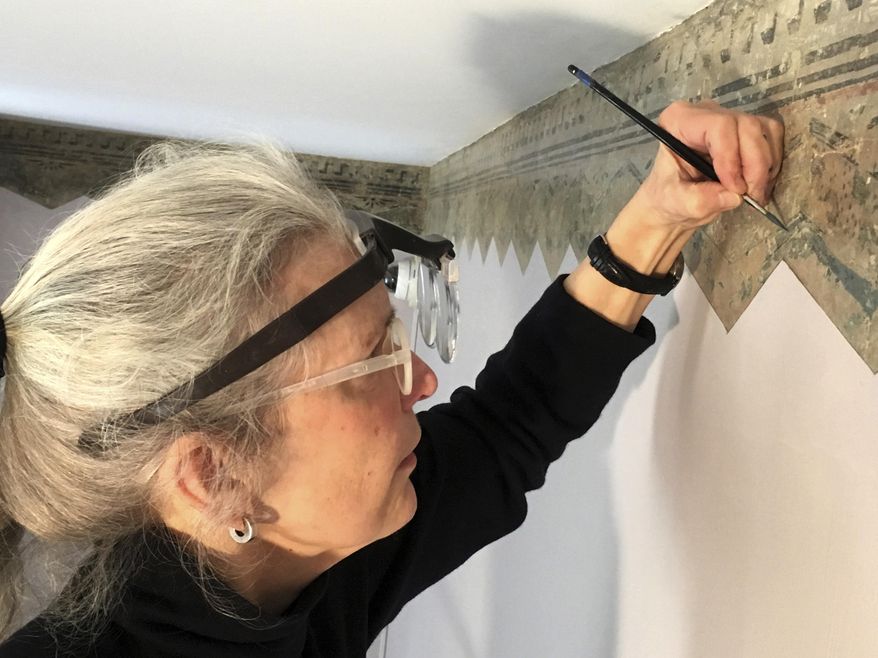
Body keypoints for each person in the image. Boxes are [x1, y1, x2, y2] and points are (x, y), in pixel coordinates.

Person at [0, 100, 783, 657]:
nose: (424, 381)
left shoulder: (276, 563)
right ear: (214, 474)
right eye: (376, 359)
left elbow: (501, 434)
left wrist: (655, 217)